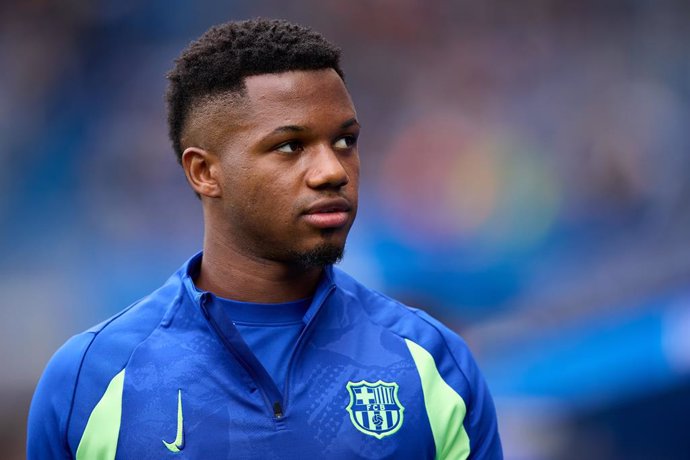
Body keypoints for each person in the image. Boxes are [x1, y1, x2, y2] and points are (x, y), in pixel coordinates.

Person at [27, 18, 502, 459]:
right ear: (204, 172)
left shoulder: (433, 365)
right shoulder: (91, 379)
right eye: (290, 146)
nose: (333, 171)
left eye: (344, 141)